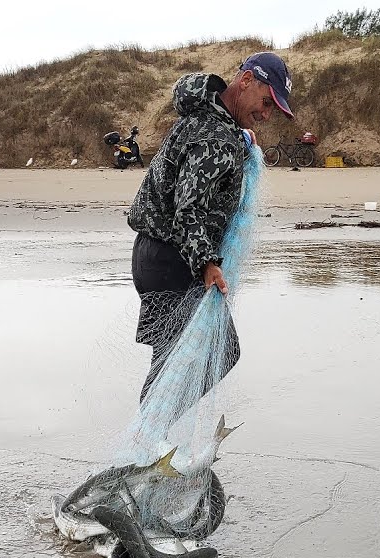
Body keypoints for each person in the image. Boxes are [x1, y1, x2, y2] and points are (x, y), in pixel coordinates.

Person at [127, 52, 293, 402]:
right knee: (220, 352)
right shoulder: (214, 137)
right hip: (174, 259)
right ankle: (144, 444)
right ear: (246, 80)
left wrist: (241, 143)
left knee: (171, 362)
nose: (265, 114)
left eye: (272, 109)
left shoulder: (210, 118)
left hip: (156, 254)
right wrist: (207, 264)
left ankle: (149, 444)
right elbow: (190, 207)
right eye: (266, 102)